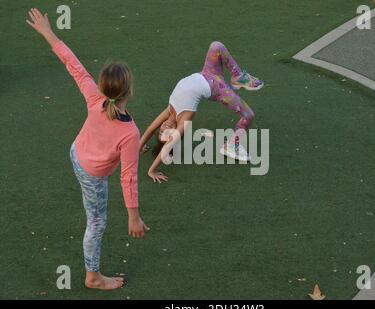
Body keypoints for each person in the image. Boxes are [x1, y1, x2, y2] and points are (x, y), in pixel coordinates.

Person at [26, 8, 149, 290]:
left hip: (77, 154)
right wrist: (133, 216)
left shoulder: (95, 97)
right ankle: (92, 277)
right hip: (92, 172)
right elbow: (128, 176)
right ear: (129, 92)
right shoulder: (129, 133)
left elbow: (75, 66)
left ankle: (93, 273)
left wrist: (48, 32)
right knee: (96, 222)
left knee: (94, 206)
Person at [140, 41, 263, 183]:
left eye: (161, 131)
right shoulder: (184, 121)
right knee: (248, 115)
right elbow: (167, 148)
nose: (165, 128)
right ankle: (231, 145)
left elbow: (150, 129)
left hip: (208, 73)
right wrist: (151, 170)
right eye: (168, 134)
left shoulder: (169, 111)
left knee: (216, 46)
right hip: (217, 89)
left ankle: (237, 76)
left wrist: (140, 145)